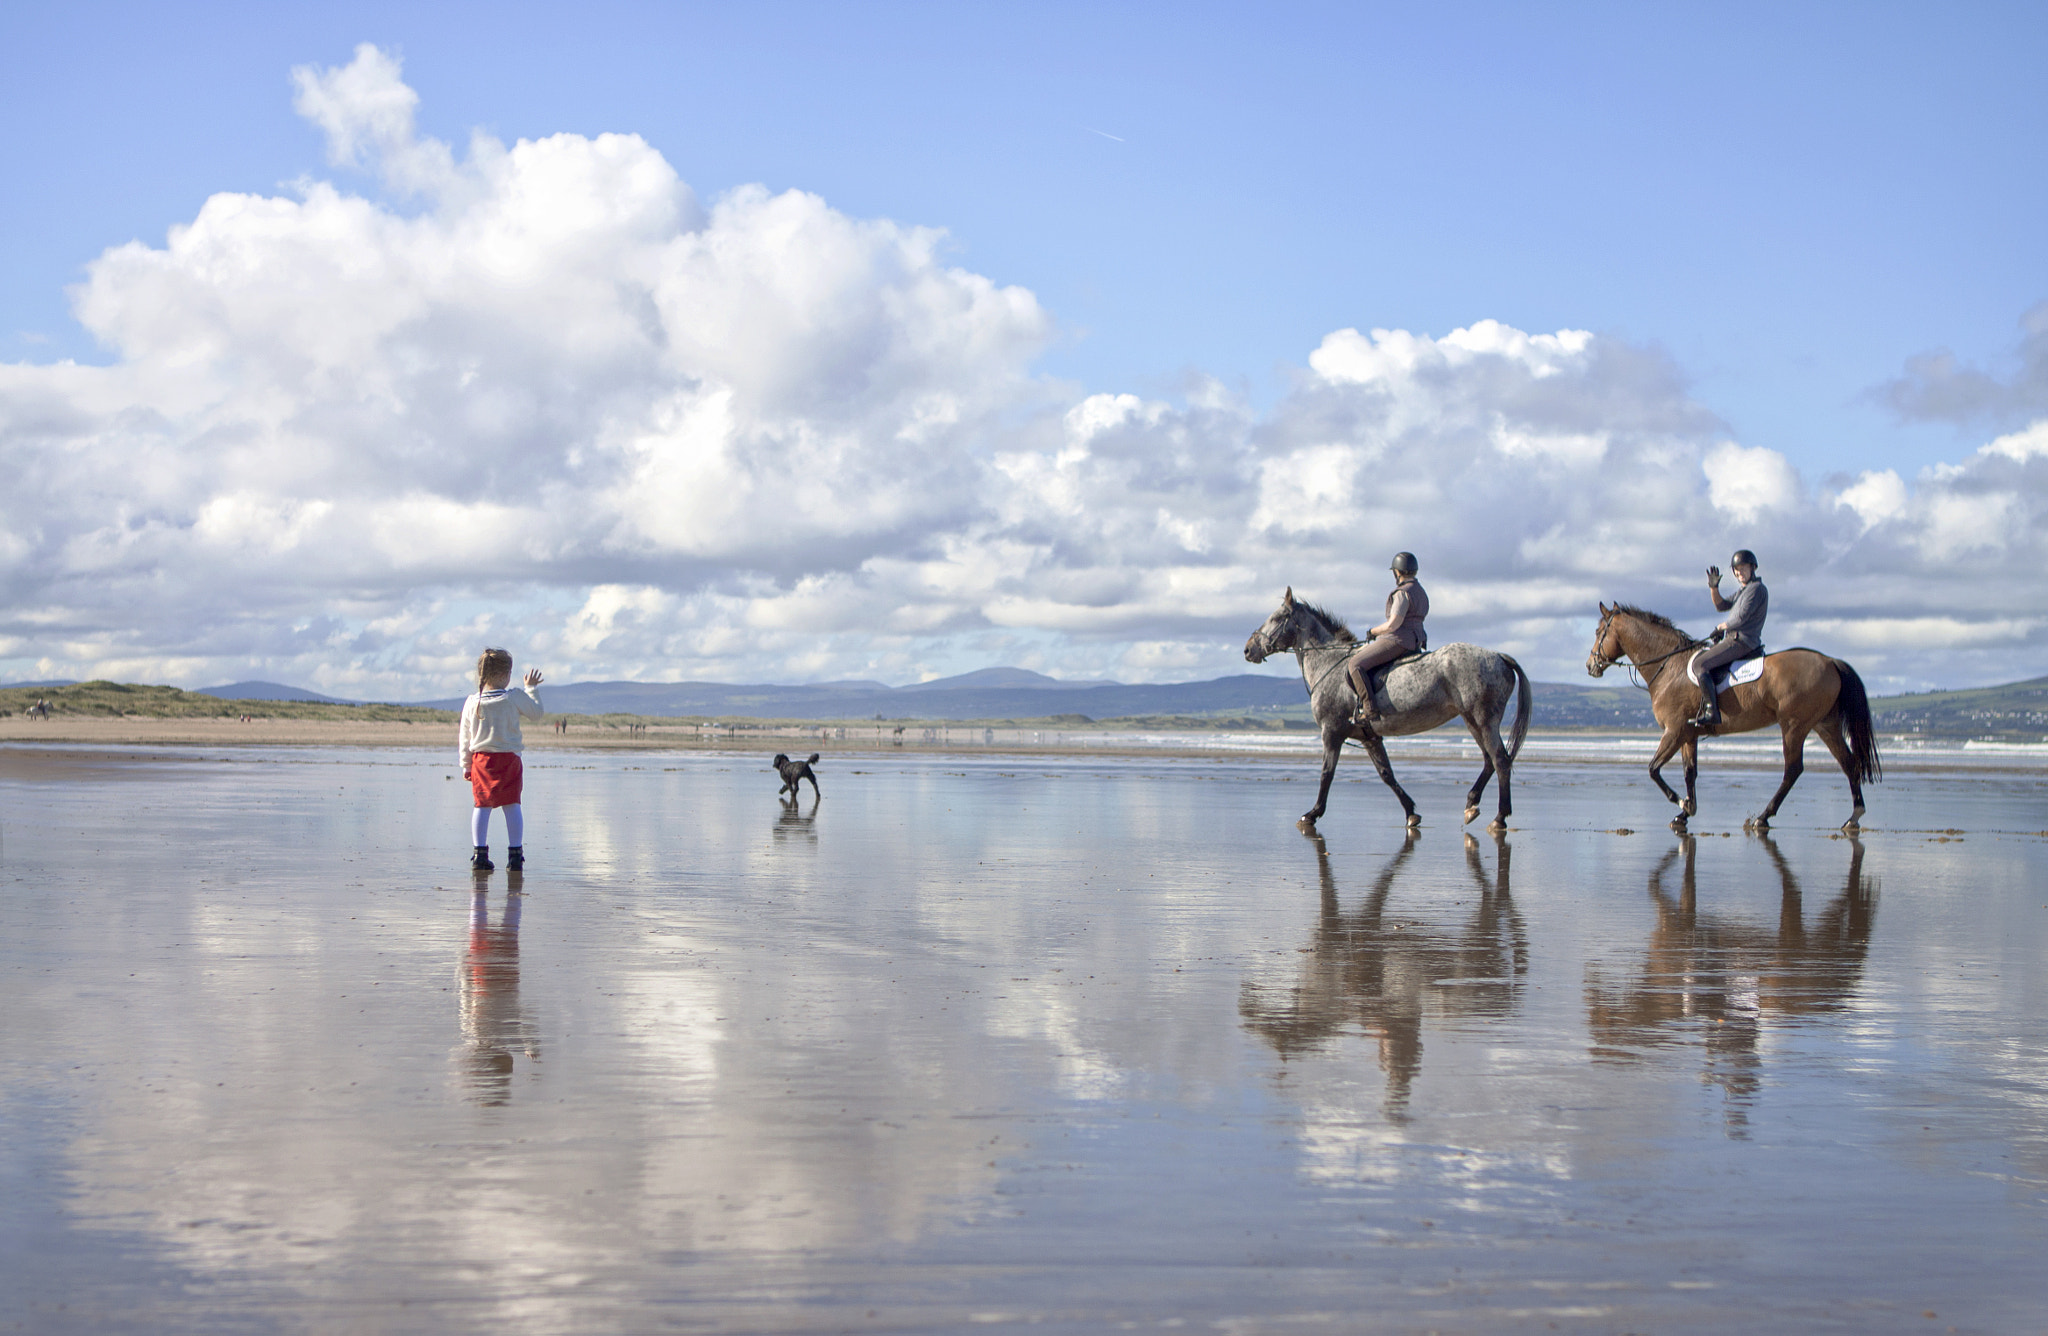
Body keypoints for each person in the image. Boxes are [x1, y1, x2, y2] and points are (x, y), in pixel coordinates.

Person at [459, 648, 545, 871]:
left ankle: (479, 855)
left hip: (481, 761)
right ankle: (515, 856)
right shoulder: (513, 696)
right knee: (512, 804)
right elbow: (536, 713)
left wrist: (466, 765)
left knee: (481, 806)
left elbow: (465, 737)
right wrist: (531, 688)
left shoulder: (472, 701)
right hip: (509, 759)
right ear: (505, 675)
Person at [1349, 552, 1430, 726]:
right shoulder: (1421, 591)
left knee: (1354, 664)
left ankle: (1369, 709)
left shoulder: (1402, 593)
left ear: (1397, 572)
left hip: (1398, 640)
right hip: (1417, 640)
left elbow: (1393, 624)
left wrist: (1373, 631)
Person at [1690, 549, 1768, 729]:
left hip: (1742, 641)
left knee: (1699, 665)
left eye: (1743, 568)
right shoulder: (1744, 590)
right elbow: (1721, 605)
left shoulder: (1756, 590)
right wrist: (1713, 588)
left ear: (1752, 568)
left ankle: (1712, 712)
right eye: (1736, 570)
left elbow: (1739, 619)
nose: (1739, 572)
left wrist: (1720, 627)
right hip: (1734, 638)